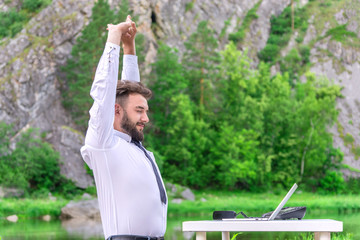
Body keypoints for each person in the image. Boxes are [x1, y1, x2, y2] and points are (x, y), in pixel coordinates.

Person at [80, 16, 167, 240]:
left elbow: (129, 93)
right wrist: (114, 39)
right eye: (140, 111)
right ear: (116, 110)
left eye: (146, 111)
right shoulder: (104, 145)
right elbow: (104, 93)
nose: (146, 118)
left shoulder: (133, 146)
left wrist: (130, 48)